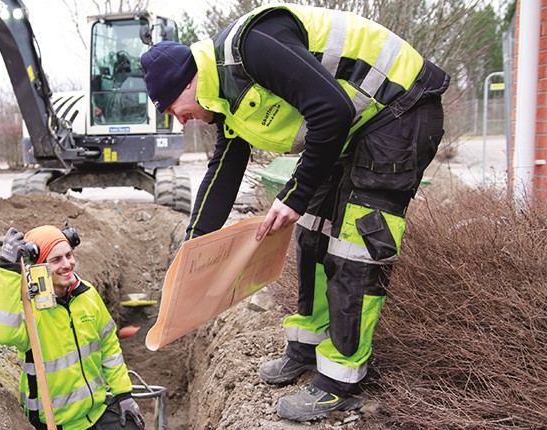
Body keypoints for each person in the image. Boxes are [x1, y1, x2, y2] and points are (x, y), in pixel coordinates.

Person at [141, 3, 449, 423]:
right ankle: (309, 346)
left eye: (171, 107)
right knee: (312, 234)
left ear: (188, 81)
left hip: (399, 108)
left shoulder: (251, 49)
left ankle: (342, 380)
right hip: (352, 128)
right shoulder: (224, 97)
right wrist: (193, 246)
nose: (179, 120)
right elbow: (224, 169)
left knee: (355, 249)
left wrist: (296, 194)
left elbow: (332, 110)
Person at [0, 225, 145, 430]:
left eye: (68, 255)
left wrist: (123, 394)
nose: (67, 264)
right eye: (56, 260)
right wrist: (7, 271)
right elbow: (3, 334)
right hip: (56, 422)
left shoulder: (87, 294)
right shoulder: (30, 309)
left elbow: (109, 346)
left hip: (95, 412)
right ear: (39, 267)